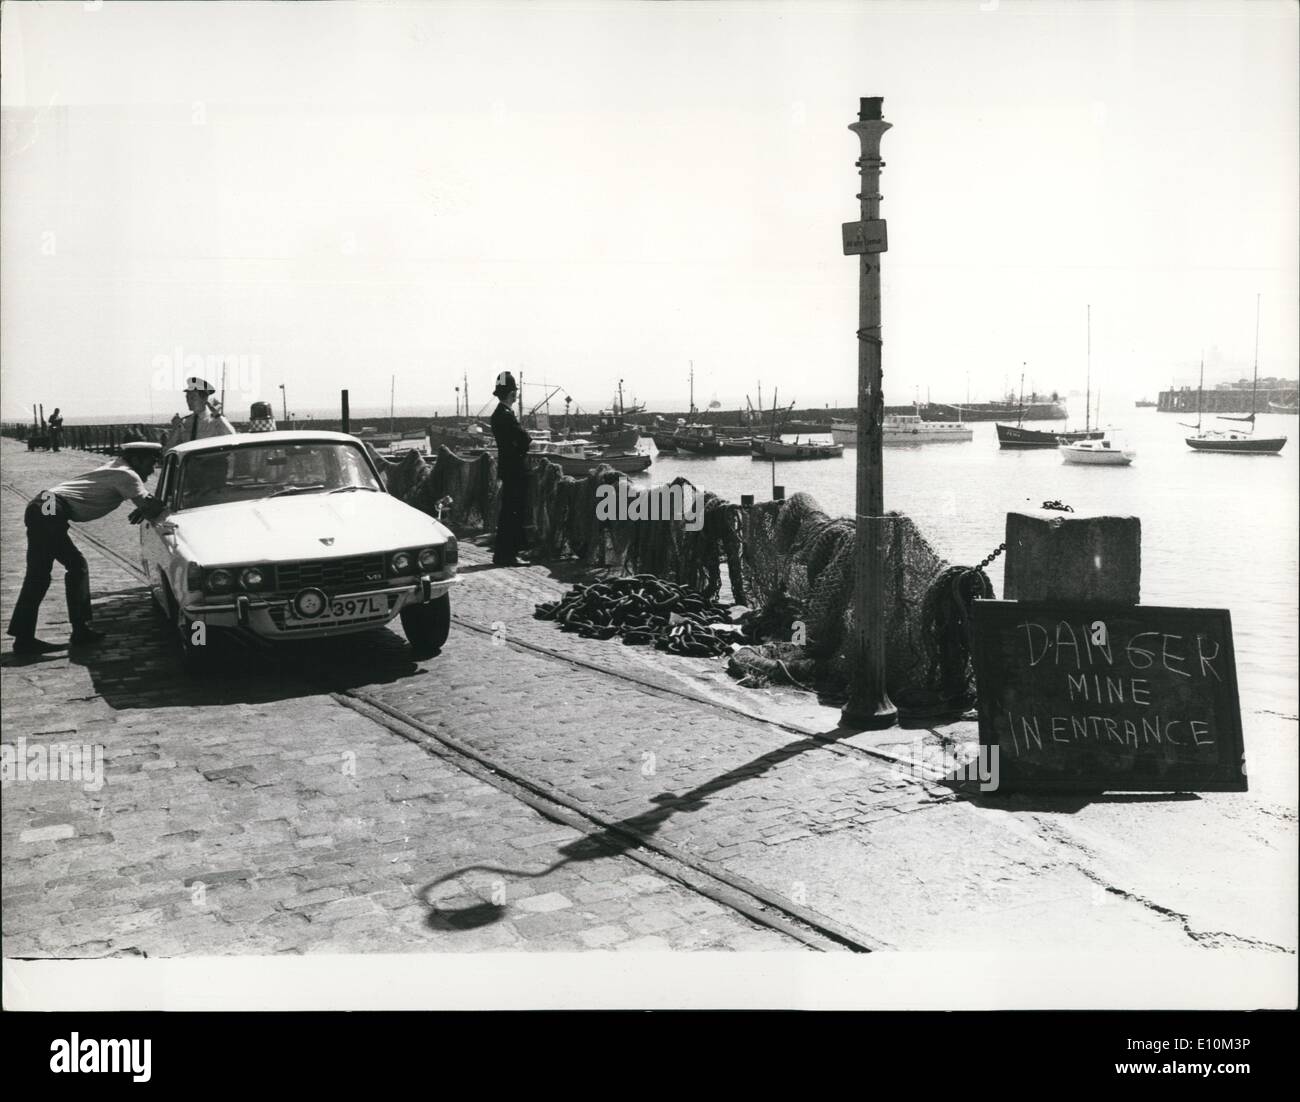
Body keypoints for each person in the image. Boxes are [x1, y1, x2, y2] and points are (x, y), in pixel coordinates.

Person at [7, 442, 166, 655]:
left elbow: (146, 505)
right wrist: (152, 507)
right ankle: (77, 631)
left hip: (44, 504)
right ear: (136, 459)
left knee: (42, 574)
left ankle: (25, 639)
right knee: (75, 566)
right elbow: (151, 506)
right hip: (50, 508)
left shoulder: (117, 467)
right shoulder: (128, 475)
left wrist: (147, 507)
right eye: (150, 463)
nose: (151, 469)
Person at [489, 371, 532, 567]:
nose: (517, 394)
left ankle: (502, 554)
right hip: (515, 470)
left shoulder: (498, 415)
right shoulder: (505, 416)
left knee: (507, 513)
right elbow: (524, 439)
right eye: (515, 391)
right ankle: (510, 555)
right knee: (513, 514)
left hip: (508, 469)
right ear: (511, 394)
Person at [162, 377, 236, 453]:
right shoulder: (185, 422)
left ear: (204, 399)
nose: (189, 401)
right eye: (187, 397)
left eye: (193, 398)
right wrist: (175, 430)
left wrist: (217, 416)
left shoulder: (215, 421)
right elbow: (168, 451)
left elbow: (233, 438)